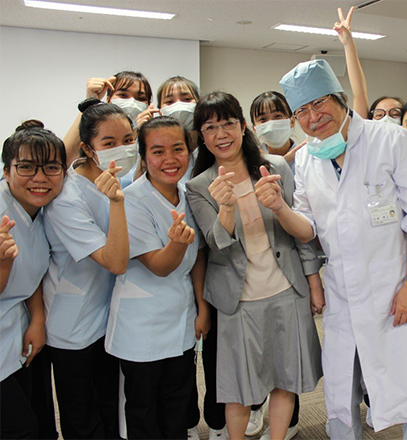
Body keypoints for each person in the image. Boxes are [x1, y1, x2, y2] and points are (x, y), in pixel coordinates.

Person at [278, 58, 407, 439]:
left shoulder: (389, 139)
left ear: (340, 98)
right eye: (301, 110)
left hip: (396, 285)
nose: (313, 116)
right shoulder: (306, 158)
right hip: (342, 293)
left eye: (319, 103)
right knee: (339, 389)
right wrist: (278, 208)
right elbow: (308, 228)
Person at [186, 91, 323, 440]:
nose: (221, 134)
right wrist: (227, 207)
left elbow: (302, 234)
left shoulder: (274, 167)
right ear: (202, 136)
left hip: (286, 291)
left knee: (285, 378)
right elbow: (216, 242)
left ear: (242, 126)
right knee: (238, 387)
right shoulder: (199, 187)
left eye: (228, 123)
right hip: (238, 301)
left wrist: (313, 284)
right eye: (211, 127)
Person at [104, 116, 211, 439]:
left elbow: (199, 257)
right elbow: (159, 265)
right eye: (158, 151)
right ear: (143, 156)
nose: (169, 160)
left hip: (180, 318)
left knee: (177, 401)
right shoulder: (132, 200)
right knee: (143, 408)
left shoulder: (186, 193)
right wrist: (177, 244)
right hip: (142, 327)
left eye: (178, 149)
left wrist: (202, 307)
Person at [43, 98, 130, 440]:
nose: (121, 150)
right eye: (109, 143)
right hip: (72, 325)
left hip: (106, 317)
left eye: (127, 140)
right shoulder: (67, 199)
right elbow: (115, 260)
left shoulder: (122, 180)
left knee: (109, 406)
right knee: (82, 417)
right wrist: (117, 203)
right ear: (87, 148)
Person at [0, 121, 66, 440]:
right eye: (26, 167)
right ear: (6, 170)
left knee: (41, 424)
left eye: (51, 167)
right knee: (19, 428)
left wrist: (38, 319)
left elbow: (34, 274)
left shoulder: (42, 209)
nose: (40, 178)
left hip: (20, 330)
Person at [62, 71, 153, 168]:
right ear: (109, 99)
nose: (131, 102)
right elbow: (63, 160)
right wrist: (90, 105)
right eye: (123, 95)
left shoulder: (150, 142)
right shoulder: (96, 134)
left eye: (140, 98)